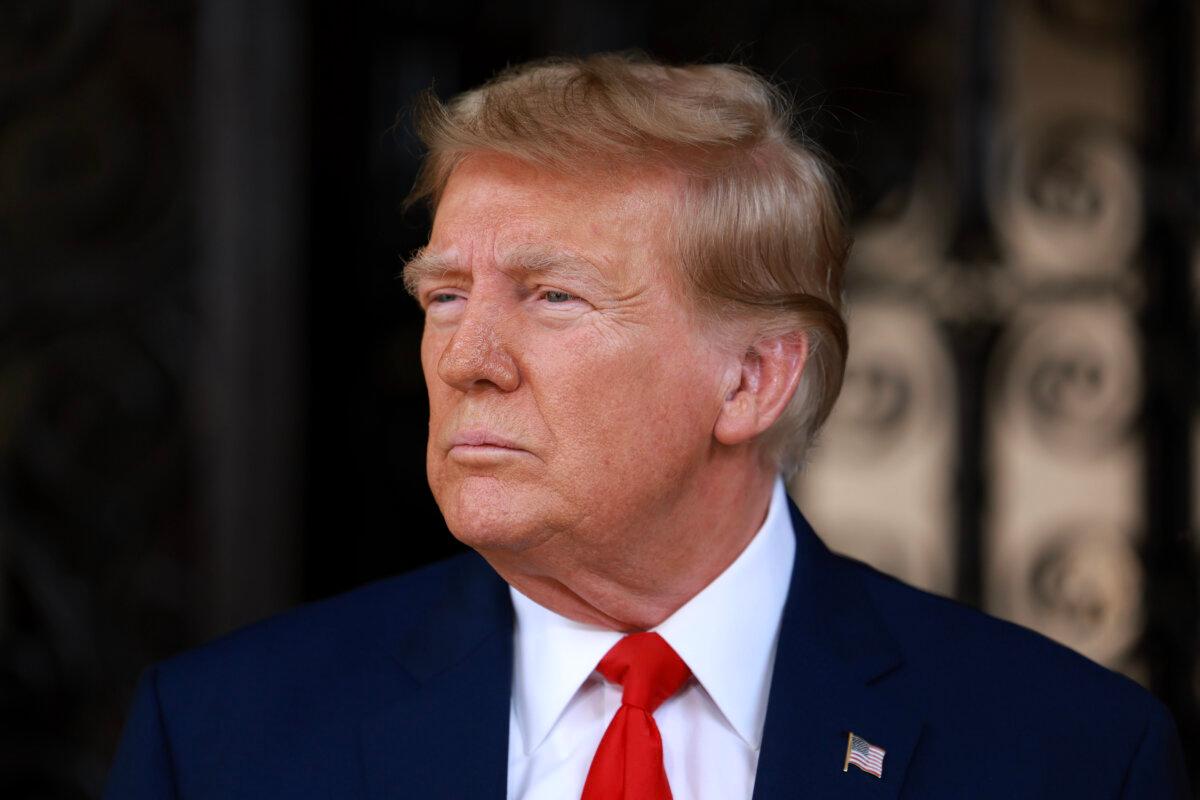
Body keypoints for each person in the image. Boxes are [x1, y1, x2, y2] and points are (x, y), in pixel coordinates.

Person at [105, 53, 1189, 799]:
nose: (466, 357)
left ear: (753, 380)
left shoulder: (1066, 753)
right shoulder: (222, 738)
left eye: (552, 296)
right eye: (444, 295)